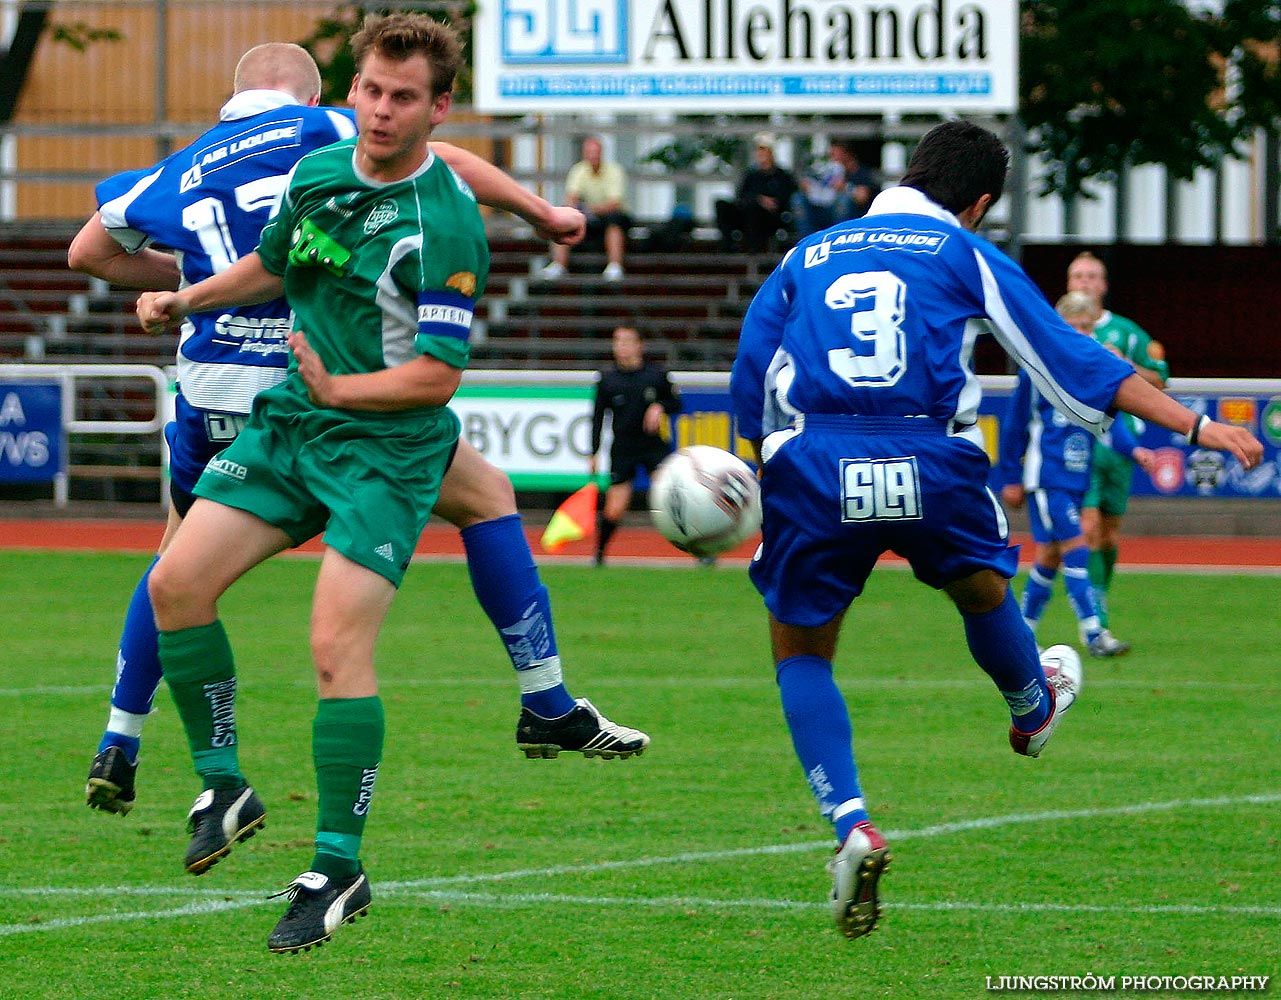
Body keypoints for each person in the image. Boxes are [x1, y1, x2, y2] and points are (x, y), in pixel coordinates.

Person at [129, 14, 634, 954]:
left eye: (405, 97)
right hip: (293, 424)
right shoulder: (318, 172)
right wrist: (182, 299)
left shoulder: (444, 221)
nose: (382, 111)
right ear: (349, 89)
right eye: (370, 89)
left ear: (440, 108)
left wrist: (341, 388)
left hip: (386, 449)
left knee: (333, 647)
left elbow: (439, 376)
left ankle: (337, 863)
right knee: (175, 584)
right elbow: (272, 264)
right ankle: (226, 783)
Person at [729, 120, 1263, 942]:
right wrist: (1191, 426)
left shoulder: (810, 252)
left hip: (817, 457)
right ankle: (1030, 704)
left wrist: (752, 464)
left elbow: (751, 363)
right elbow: (1066, 355)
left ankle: (851, 821)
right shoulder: (957, 250)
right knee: (981, 584)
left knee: (801, 651)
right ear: (977, 202)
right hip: (928, 455)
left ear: (910, 172)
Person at [997, 291, 1157, 657]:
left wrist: (1135, 450)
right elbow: (1014, 427)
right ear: (1058, 328)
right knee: (1077, 546)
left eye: (1087, 328)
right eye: (1074, 327)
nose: (1082, 334)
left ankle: (1020, 633)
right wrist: (1010, 476)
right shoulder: (1036, 369)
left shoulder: (1090, 371)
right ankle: (1094, 633)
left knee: (1050, 556)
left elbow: (1108, 423)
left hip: (1076, 476)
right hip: (1048, 476)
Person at [1065, 251, 1170, 635]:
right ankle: (1094, 620)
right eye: (1078, 276)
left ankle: (1098, 594)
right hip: (1079, 443)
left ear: (1104, 285)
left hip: (1120, 443)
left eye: (1092, 276)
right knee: (1089, 526)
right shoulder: (1057, 330)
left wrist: (1125, 364)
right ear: (1068, 283)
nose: (1085, 283)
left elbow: (1160, 380)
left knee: (1109, 532)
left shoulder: (1127, 332)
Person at [589, 326, 681, 566]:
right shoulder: (607, 379)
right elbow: (598, 417)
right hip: (623, 447)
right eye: (617, 341)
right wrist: (593, 451)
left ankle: (701, 549)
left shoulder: (656, 374)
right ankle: (599, 554)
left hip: (653, 446)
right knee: (615, 508)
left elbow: (675, 402)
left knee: (672, 499)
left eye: (627, 341)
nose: (621, 346)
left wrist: (660, 405)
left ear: (640, 345)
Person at [539, 135, 631, 282]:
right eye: (589, 152)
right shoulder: (578, 170)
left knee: (614, 220)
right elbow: (570, 198)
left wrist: (588, 209)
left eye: (595, 152)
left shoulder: (614, 170)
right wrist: (574, 210)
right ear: (584, 153)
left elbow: (615, 203)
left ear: (601, 152)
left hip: (610, 216)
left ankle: (615, 265)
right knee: (563, 218)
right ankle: (558, 264)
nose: (593, 155)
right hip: (589, 217)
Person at [714, 132, 798, 253]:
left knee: (754, 209)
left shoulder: (782, 176)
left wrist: (768, 203)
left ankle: (754, 248)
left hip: (768, 220)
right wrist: (758, 199)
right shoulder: (751, 175)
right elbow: (741, 196)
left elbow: (786, 199)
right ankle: (728, 245)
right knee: (721, 204)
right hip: (746, 216)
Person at [791, 137, 880, 238]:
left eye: (835, 154)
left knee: (843, 200)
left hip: (848, 214)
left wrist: (845, 187)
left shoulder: (861, 173)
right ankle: (807, 240)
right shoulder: (828, 170)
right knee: (798, 198)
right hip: (822, 207)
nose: (832, 158)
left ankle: (837, 238)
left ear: (847, 154)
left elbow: (863, 197)